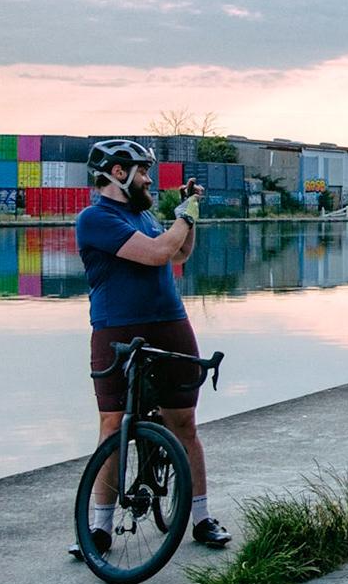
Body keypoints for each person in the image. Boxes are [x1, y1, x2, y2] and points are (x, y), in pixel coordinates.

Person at [71, 138, 232, 558]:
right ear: (118, 174)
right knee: (112, 426)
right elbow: (160, 252)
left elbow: (180, 252)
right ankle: (100, 528)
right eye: (142, 172)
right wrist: (183, 215)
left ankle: (201, 518)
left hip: (169, 322)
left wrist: (187, 217)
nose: (148, 179)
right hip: (116, 329)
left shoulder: (143, 215)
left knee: (185, 425)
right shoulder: (96, 218)